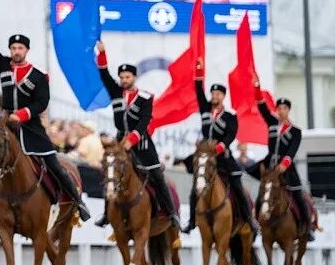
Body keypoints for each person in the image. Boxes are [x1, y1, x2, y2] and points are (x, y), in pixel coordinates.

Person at [0, 5, 90, 230]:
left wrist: (23, 114)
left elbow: (41, 102)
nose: (16, 51)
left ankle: (78, 201)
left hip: (32, 128)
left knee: (54, 164)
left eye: (20, 48)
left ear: (26, 50)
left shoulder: (37, 76)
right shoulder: (3, 65)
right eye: (13, 47)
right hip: (7, 127)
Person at [93, 41, 179, 228]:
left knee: (157, 175)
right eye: (122, 77)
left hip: (141, 143)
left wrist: (131, 140)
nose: (124, 80)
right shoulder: (115, 92)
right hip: (119, 139)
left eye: (127, 76)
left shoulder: (145, 98)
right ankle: (107, 214)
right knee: (110, 173)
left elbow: (144, 121)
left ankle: (171, 213)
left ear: (134, 77)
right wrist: (102, 54)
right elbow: (103, 73)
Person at [180, 62, 257, 233]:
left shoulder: (230, 116)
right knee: (195, 188)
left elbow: (230, 135)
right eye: (213, 93)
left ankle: (249, 219)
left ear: (223, 96)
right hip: (206, 156)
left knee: (237, 184)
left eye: (218, 94)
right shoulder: (205, 109)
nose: (214, 96)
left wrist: (221, 147)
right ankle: (192, 221)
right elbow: (198, 90)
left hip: (222, 155)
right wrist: (198, 70)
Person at [251, 79, 313, 241]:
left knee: (298, 195)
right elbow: (261, 106)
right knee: (262, 194)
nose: (281, 111)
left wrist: (284, 165)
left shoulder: (295, 132)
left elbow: (292, 151)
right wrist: (257, 87)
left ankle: (307, 227)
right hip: (270, 165)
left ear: (289, 110)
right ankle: (255, 224)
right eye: (279, 108)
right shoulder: (272, 123)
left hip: (286, 168)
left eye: (284, 108)